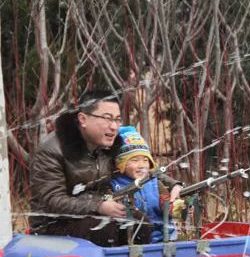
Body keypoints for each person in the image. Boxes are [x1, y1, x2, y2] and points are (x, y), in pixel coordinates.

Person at [29, 90, 181, 246]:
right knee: (104, 229)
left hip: (95, 214)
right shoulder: (52, 150)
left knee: (139, 223)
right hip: (52, 225)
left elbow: (142, 168)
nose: (114, 126)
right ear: (83, 119)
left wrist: (173, 184)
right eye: (107, 119)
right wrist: (98, 206)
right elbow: (52, 201)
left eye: (117, 120)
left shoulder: (108, 147)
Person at [111, 126, 179, 243]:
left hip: (163, 238)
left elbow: (167, 205)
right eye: (134, 160)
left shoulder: (154, 183)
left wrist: (174, 207)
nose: (141, 165)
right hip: (135, 239)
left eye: (145, 160)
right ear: (121, 164)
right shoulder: (115, 185)